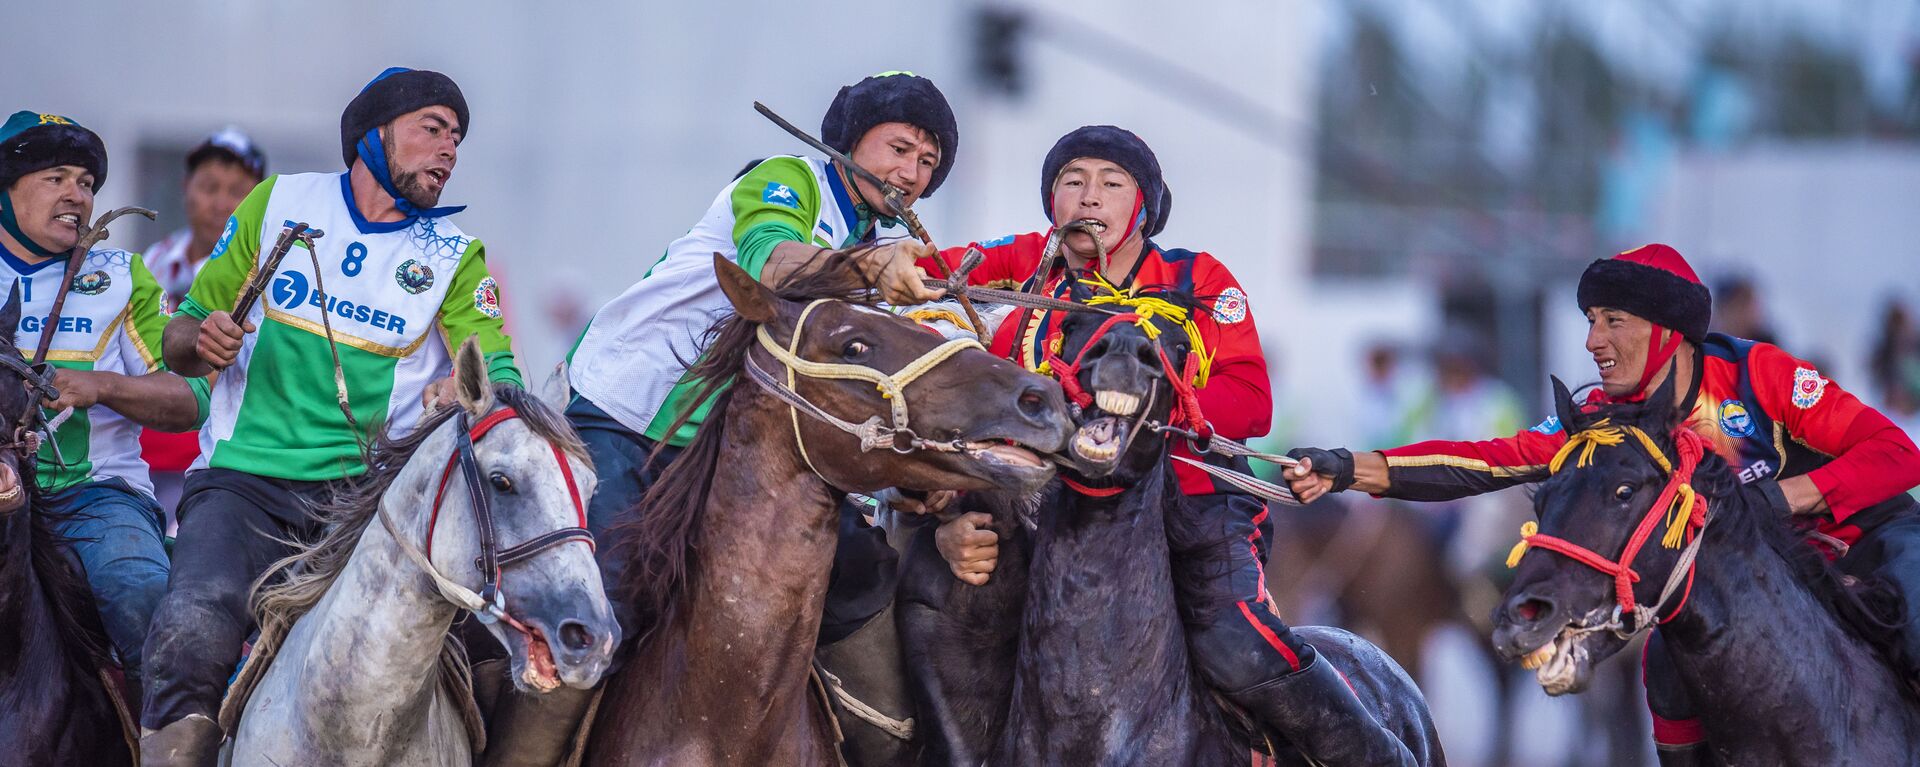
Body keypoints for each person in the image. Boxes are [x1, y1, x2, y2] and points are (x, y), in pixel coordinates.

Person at [1284, 244, 1920, 766]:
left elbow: (1897, 452)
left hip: (1864, 538)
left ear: (1667, 334)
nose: (1593, 339)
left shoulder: (1762, 374)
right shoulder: (1603, 422)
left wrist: (1772, 502)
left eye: (1613, 321)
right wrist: (1348, 470)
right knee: (1666, 662)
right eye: (1591, 320)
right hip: (1744, 584)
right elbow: (1486, 459)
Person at [921, 125, 1413, 766]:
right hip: (1045, 513)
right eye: (1072, 182)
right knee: (930, 610)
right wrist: (953, 518)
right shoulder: (1024, 290)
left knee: (1237, 641)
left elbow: (1252, 401)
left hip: (1192, 501)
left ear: (1143, 207)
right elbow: (935, 288)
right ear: (1052, 205)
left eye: (1111, 183)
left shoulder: (1198, 277)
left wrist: (1151, 412)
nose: (1089, 196)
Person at [529, 70, 956, 766]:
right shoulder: (790, 179)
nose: (910, 172)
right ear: (851, 142)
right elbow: (770, 265)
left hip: (745, 448)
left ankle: (872, 736)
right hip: (635, 412)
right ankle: (520, 751)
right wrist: (869, 268)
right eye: (899, 148)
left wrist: (903, 477)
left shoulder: (881, 248)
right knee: (605, 592)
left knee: (859, 569)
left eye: (926, 163)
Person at [139, 68, 522, 765]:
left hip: (367, 506)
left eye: (457, 139)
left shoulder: (455, 256)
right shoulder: (278, 200)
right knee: (188, 630)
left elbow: (499, 374)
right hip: (242, 483)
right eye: (432, 130)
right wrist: (205, 339)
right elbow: (181, 335)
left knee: (498, 649)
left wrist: (461, 390)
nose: (449, 151)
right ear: (373, 135)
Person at [0, 109, 206, 712]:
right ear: (7, 191)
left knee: (144, 601)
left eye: (87, 184)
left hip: (96, 497)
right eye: (55, 177)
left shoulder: (123, 276)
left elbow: (189, 400)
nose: (77, 195)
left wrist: (103, 387)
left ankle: (170, 743)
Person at [139, 127, 268, 521]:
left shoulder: (270, 272)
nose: (221, 202)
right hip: (146, 451)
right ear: (186, 187)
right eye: (209, 186)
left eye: (238, 190)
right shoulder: (154, 260)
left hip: (221, 455)